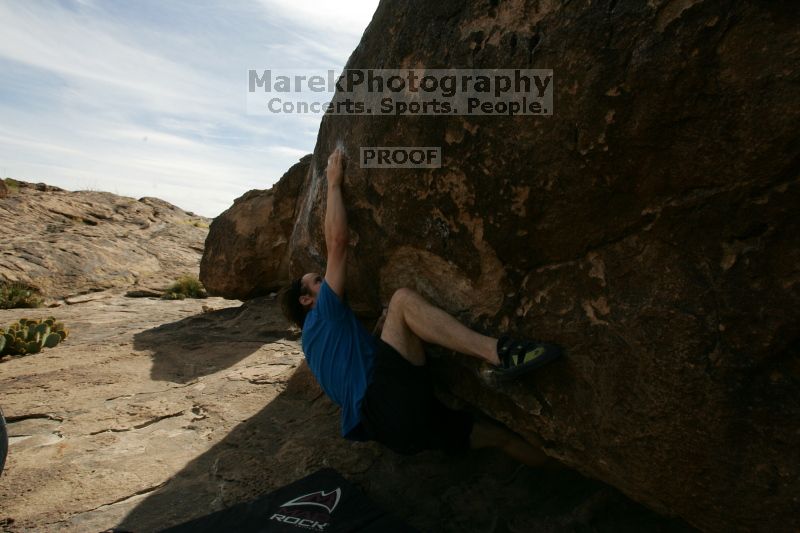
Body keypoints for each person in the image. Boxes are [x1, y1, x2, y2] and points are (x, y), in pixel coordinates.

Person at [280, 148, 562, 466]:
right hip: (386, 401)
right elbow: (338, 243)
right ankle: (500, 354)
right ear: (307, 300)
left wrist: (382, 328)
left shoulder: (314, 344)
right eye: (317, 280)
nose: (326, 280)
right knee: (401, 301)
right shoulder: (323, 313)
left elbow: (360, 362)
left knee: (499, 437)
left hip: (393, 431)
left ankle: (569, 472)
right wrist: (333, 183)